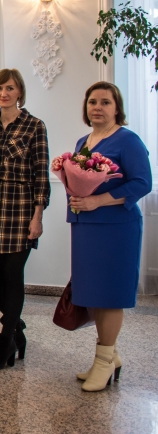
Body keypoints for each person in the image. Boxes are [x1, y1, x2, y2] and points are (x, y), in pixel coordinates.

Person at [68, 82, 151, 392]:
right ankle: (109, 356)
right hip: (87, 228)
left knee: (111, 295)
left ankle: (103, 362)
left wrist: (98, 201)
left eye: (105, 102)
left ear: (117, 108)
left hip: (117, 229)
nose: (98, 107)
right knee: (96, 295)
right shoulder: (83, 141)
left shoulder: (128, 141)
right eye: (93, 102)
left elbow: (142, 183)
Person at [0, 69, 50, 370]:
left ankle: (6, 339)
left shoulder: (34, 125)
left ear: (19, 91)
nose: (3, 94)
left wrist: (38, 217)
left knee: (13, 276)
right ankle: (17, 332)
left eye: (9, 88)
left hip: (20, 209)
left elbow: (41, 174)